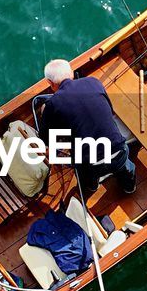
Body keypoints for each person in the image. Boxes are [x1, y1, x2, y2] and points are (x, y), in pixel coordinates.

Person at [38, 58, 136, 195]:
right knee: (126, 168)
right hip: (118, 152)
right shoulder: (94, 82)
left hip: (91, 163)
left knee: (85, 173)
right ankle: (129, 187)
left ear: (50, 83)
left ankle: (91, 186)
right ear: (71, 73)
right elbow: (109, 109)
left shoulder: (52, 105)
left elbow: (45, 138)